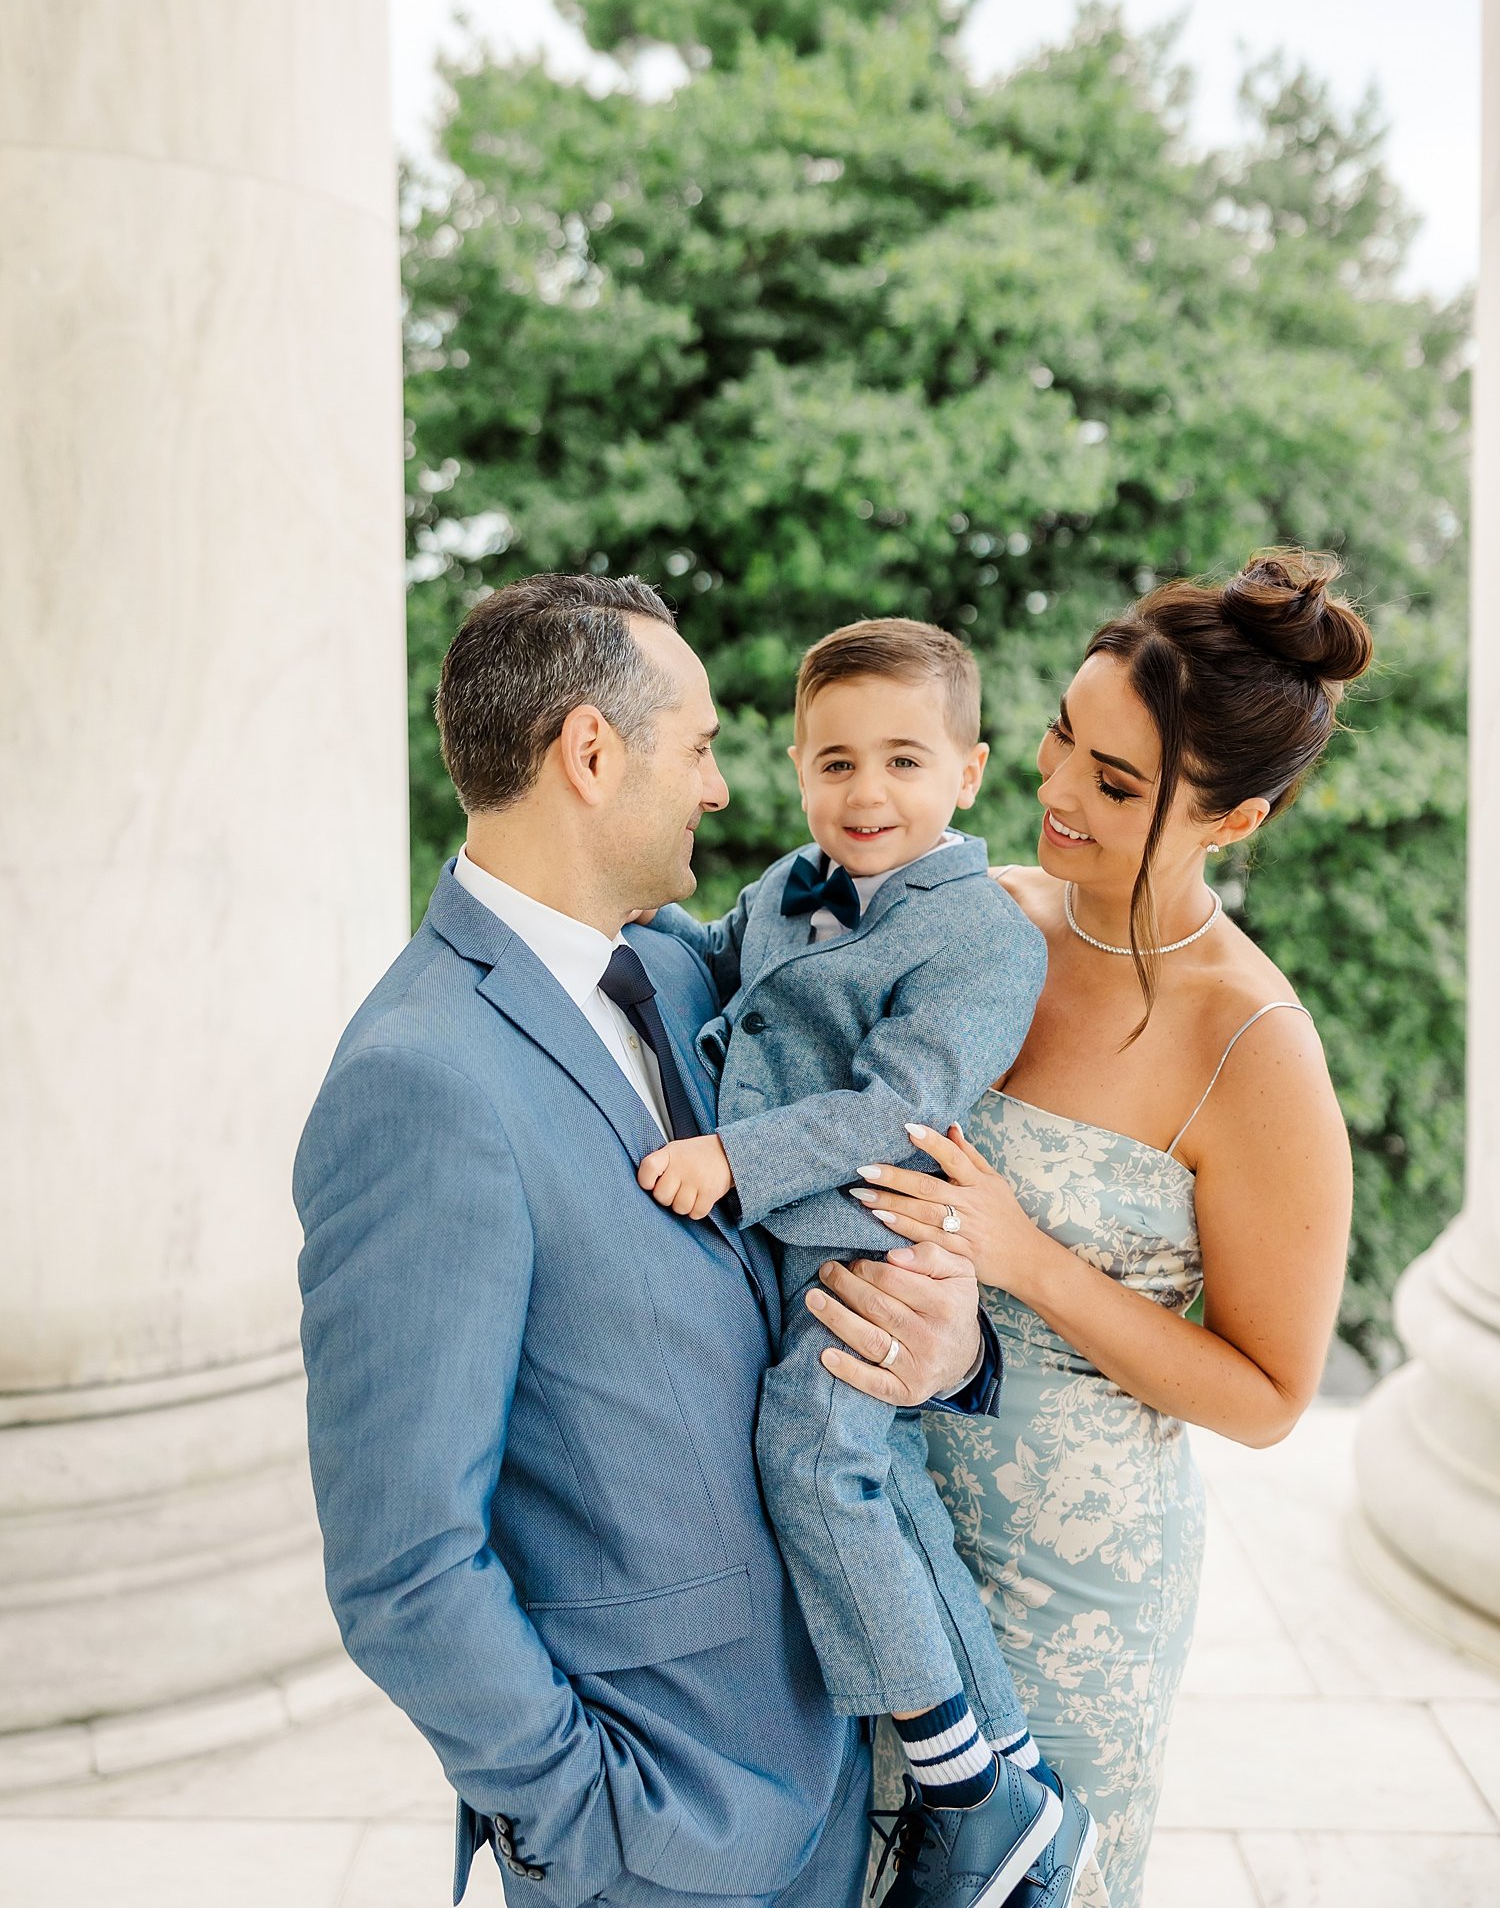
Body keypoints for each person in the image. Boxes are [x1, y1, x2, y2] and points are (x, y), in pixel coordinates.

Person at [293, 574, 1002, 1908]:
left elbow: (822, 1219)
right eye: (702, 746)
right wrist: (594, 1819)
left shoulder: (685, 968)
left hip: (837, 1768)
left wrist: (951, 1343)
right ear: (592, 753)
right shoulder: (419, 1081)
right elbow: (404, 1563)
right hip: (664, 1835)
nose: (724, 789)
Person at [857, 551, 1365, 1908]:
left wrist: (1026, 1257)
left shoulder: (1250, 1044)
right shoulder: (979, 911)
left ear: (1234, 821)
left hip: (1069, 1592)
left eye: (1120, 783)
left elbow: (1268, 1396)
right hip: (875, 1523)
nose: (1059, 792)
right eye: (1064, 737)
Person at [647, 619, 1094, 1908]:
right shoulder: (790, 885)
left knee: (814, 1454)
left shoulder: (983, 938)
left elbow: (900, 1109)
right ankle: (1004, 1777)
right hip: (784, 1253)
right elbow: (708, 960)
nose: (867, 792)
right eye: (835, 762)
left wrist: (732, 1155)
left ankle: (963, 1794)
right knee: (876, 1493)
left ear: (970, 773)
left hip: (869, 1254)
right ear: (796, 767)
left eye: (904, 761)